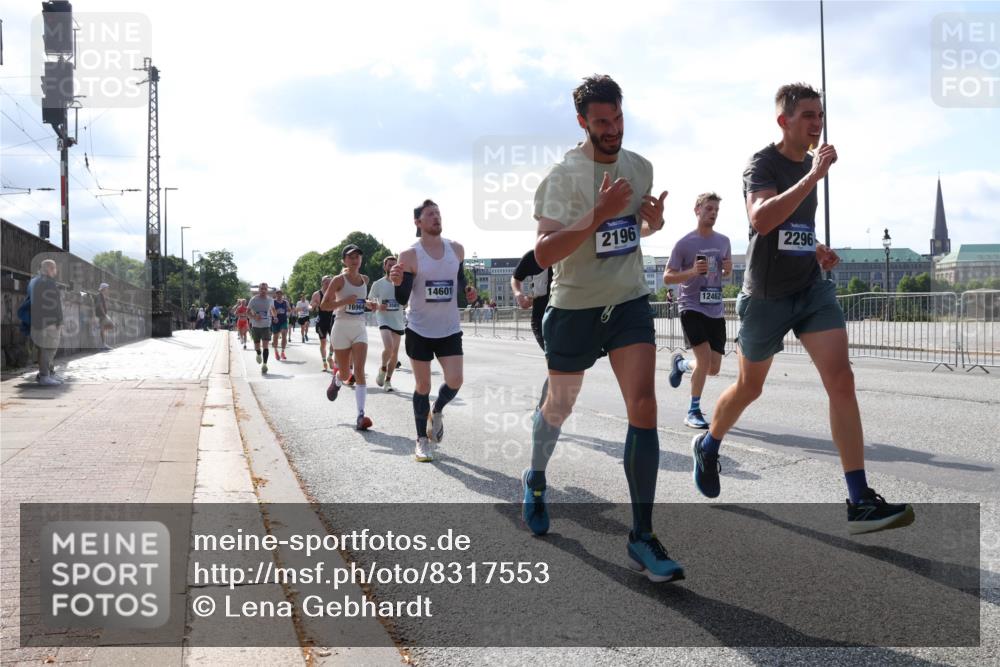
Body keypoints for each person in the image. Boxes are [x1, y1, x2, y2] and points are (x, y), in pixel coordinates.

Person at [694, 82, 913, 535]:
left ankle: (858, 500)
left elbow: (791, 226)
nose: (817, 123)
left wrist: (815, 249)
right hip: (766, 298)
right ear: (784, 121)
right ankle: (710, 444)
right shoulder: (763, 164)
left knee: (842, 379)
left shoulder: (809, 165)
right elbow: (761, 219)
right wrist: (812, 177)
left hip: (811, 291)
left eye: (820, 115)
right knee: (749, 388)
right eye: (809, 115)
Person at [522, 74, 682, 583]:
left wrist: (650, 222)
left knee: (645, 403)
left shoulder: (640, 167)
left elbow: (630, 231)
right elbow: (543, 255)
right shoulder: (563, 177)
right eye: (601, 123)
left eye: (617, 119)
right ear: (582, 123)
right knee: (560, 406)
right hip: (574, 307)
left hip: (628, 300)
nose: (612, 130)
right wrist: (599, 212)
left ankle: (641, 536)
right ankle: (537, 476)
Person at [389, 199, 477, 462]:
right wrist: (396, 282)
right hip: (419, 328)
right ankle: (421, 440)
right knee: (423, 384)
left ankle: (437, 411)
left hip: (449, 328)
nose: (436, 217)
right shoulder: (409, 255)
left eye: (438, 213)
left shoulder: (457, 249)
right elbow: (403, 297)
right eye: (430, 214)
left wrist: (468, 292)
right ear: (418, 222)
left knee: (455, 380)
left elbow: (460, 283)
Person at [663, 192, 733, 429]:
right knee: (703, 361)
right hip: (691, 306)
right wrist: (692, 271)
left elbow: (726, 273)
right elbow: (667, 277)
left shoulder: (723, 241)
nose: (712, 213)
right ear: (697, 210)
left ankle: (681, 365)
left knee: (712, 368)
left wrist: (727, 269)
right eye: (709, 209)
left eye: (716, 210)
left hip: (715, 309)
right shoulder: (684, 243)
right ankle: (693, 411)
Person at [323, 245, 374, 431]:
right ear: (344, 260)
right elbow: (324, 305)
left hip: (359, 328)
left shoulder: (365, 279)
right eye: (351, 257)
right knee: (346, 374)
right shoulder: (338, 280)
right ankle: (337, 379)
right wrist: (345, 301)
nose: (355, 260)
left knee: (359, 370)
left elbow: (359, 301)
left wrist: (369, 304)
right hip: (341, 328)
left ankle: (361, 416)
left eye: (358, 256)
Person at [511, 249, 552, 408]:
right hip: (542, 319)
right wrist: (519, 295)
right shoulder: (536, 255)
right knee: (557, 366)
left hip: (567, 318)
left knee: (564, 370)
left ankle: (545, 412)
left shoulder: (572, 253)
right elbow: (516, 278)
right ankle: (543, 413)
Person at [369, 256, 406, 392]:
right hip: (383, 318)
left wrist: (406, 302)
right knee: (389, 347)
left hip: (397, 320)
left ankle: (388, 381)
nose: (391, 267)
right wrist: (378, 306)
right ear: (385, 267)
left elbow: (407, 299)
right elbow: (370, 301)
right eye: (389, 265)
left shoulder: (403, 283)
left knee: (395, 352)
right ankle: (383, 367)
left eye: (394, 265)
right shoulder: (378, 284)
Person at [29, 259, 64, 386]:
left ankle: (46, 374)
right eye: (54, 268)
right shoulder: (47, 283)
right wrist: (57, 320)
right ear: (49, 268)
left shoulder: (38, 282)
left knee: (46, 349)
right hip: (49, 323)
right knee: (48, 349)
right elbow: (52, 305)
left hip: (42, 321)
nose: (56, 271)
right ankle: (45, 376)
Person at [248, 283, 274, 374]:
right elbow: (247, 312)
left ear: (267, 290)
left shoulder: (270, 300)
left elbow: (273, 310)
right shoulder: (253, 299)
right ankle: (258, 353)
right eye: (261, 289)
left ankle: (265, 365)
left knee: (266, 346)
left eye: (265, 289)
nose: (263, 290)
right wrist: (254, 317)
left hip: (266, 325)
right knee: (257, 346)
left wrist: (274, 314)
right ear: (259, 290)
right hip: (256, 326)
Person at [311, 275, 336, 372]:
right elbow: (312, 304)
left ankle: (330, 357)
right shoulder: (317, 294)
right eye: (326, 282)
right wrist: (312, 306)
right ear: (322, 283)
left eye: (330, 282)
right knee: (323, 343)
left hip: (332, 319)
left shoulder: (334, 293)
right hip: (321, 321)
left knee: (334, 341)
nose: (328, 284)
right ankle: (324, 361)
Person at [270, 290, 291, 360]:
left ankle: (282, 352)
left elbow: (289, 309)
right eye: (278, 294)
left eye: (280, 294)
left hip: (283, 321)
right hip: (275, 321)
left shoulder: (285, 302)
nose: (279, 295)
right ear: (276, 295)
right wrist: (276, 313)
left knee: (284, 335)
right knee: (275, 337)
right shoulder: (273, 301)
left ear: (282, 295)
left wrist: (288, 310)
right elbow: (271, 310)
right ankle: (276, 351)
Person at [94, 282, 114, 351]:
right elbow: (99, 305)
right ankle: (103, 344)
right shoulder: (99, 295)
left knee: (108, 327)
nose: (108, 290)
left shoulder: (102, 295)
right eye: (107, 288)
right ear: (104, 289)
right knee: (110, 325)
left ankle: (103, 344)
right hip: (101, 315)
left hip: (102, 315)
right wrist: (104, 314)